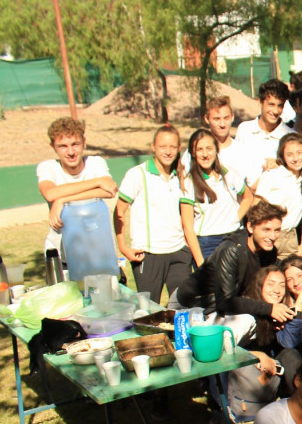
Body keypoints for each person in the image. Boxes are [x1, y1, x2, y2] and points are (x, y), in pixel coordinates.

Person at [174, 198, 291, 324]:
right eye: (266, 230)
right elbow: (225, 302)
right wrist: (268, 309)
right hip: (190, 306)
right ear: (250, 227)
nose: (273, 237)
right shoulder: (232, 250)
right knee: (247, 321)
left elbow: (281, 269)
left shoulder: (267, 250)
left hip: (221, 306)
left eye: (277, 230)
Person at [114, 125, 192, 300]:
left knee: (182, 306)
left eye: (172, 147)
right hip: (148, 254)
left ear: (179, 148)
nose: (168, 151)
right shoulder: (137, 174)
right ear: (153, 147)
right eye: (163, 146)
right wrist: (123, 247)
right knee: (150, 311)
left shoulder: (181, 175)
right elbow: (119, 211)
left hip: (178, 251)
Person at [220, 266, 302, 420]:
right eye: (271, 284)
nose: (277, 290)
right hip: (245, 373)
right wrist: (256, 355)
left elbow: (289, 344)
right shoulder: (246, 315)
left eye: (281, 285)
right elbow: (221, 350)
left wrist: (297, 310)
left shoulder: (278, 310)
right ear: (259, 286)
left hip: (270, 372)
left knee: (292, 355)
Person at [37, 117, 117, 255]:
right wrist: (96, 182)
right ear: (53, 147)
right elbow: (50, 194)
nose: (71, 152)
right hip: (62, 254)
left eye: (75, 144)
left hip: (97, 250)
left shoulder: (95, 163)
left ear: (84, 143)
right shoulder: (47, 167)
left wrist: (62, 200)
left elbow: (109, 190)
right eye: (63, 146)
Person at [180, 128, 253, 266]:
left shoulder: (229, 173)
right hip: (207, 243)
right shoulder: (189, 182)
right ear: (193, 153)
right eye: (199, 149)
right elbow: (188, 227)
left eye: (209, 148)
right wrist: (200, 261)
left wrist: (235, 219)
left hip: (234, 238)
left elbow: (248, 197)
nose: (205, 154)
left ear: (216, 149)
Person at [251, 133, 302, 260]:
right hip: (270, 235)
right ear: (282, 156)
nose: (295, 158)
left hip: (291, 238)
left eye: (299, 153)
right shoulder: (273, 174)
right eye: (289, 154)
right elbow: (255, 205)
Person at [235, 79, 296, 181]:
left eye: (280, 105)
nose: (275, 111)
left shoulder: (290, 136)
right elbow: (237, 166)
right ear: (259, 102)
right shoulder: (245, 130)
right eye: (271, 104)